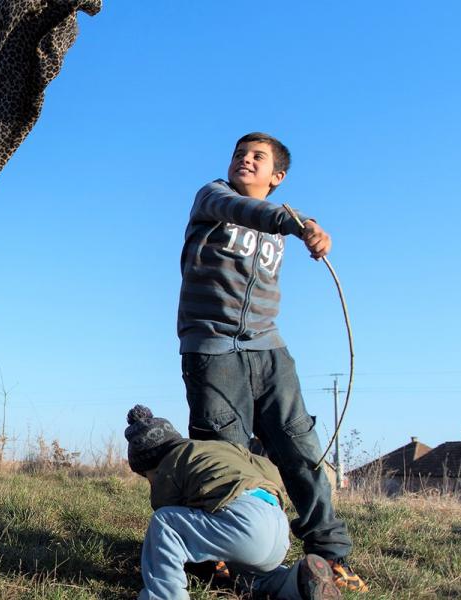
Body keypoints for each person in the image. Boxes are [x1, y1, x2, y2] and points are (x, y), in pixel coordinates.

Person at [175, 132, 366, 591]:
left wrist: (311, 226)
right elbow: (250, 212)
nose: (245, 160)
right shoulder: (213, 197)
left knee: (300, 447)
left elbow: (284, 219)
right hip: (212, 346)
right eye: (240, 154)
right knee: (223, 455)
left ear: (277, 176)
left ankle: (328, 556)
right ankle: (213, 557)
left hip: (269, 348)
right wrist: (298, 224)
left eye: (257, 157)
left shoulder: (285, 221)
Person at [125, 405, 342, 600]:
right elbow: (271, 472)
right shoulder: (222, 449)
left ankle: (164, 596)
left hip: (244, 522)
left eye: (147, 476)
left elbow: (165, 510)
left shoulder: (169, 463)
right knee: (254, 578)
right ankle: (296, 582)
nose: (150, 481)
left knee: (164, 522)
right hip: (275, 524)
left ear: (152, 464)